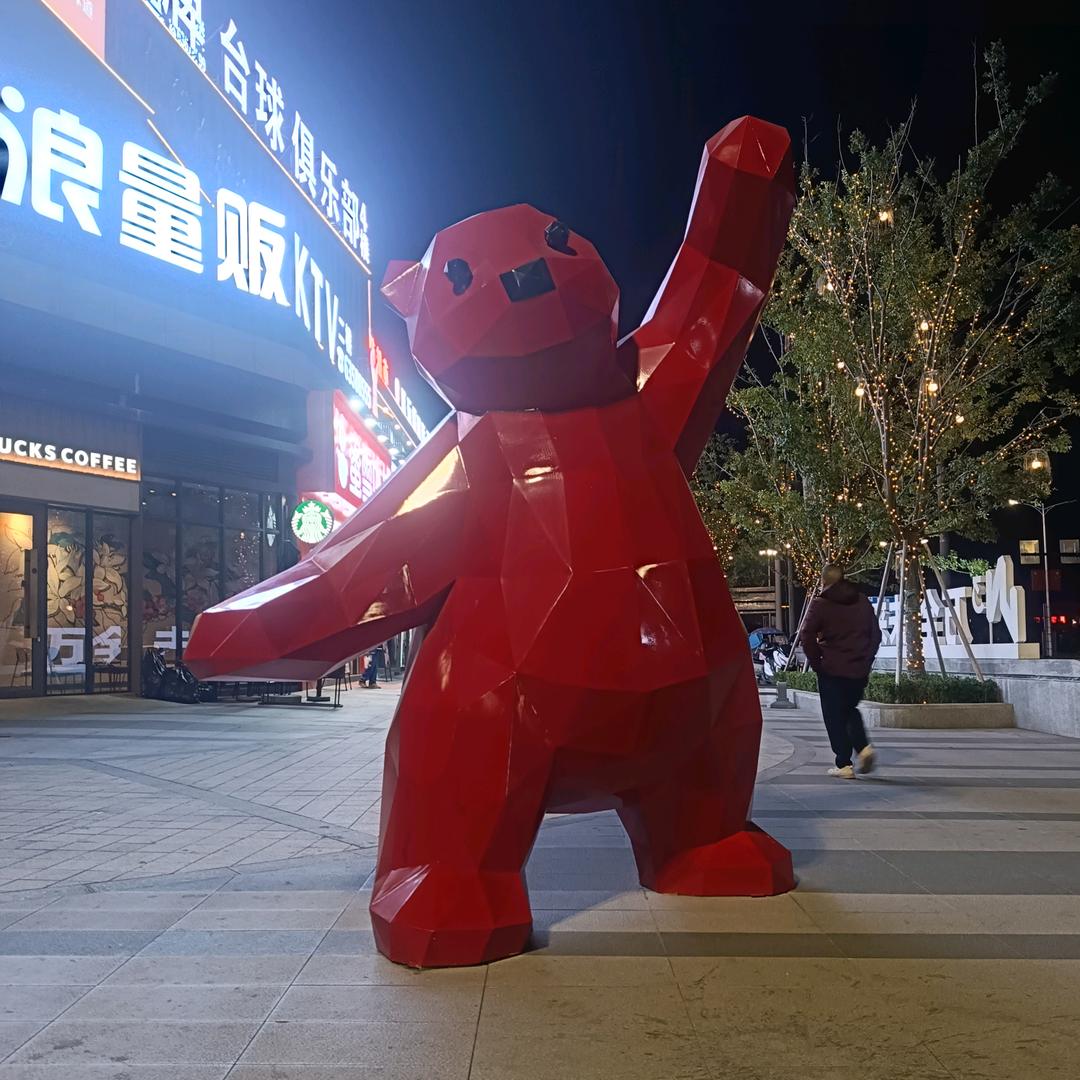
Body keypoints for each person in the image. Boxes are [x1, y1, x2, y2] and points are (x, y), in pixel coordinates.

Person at [799, 564, 882, 779]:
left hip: (831, 669)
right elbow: (876, 635)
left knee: (834, 716)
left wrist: (818, 662)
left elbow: (806, 636)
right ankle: (863, 748)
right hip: (858, 669)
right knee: (849, 709)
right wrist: (866, 660)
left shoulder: (820, 604)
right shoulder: (862, 601)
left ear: (824, 581)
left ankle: (844, 764)